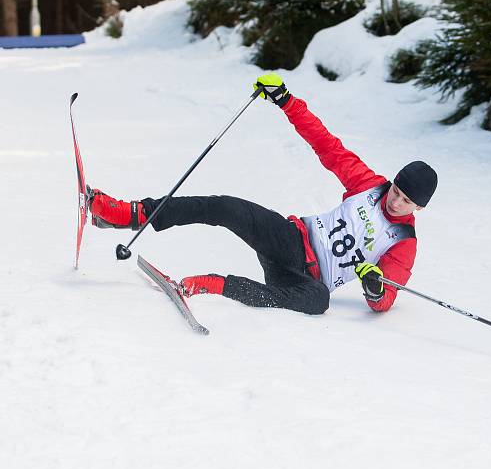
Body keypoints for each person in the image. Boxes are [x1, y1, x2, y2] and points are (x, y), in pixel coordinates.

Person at [88, 72, 437, 315]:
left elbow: (386, 297)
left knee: (319, 302)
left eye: (406, 200)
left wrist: (375, 288)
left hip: (306, 281)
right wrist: (287, 101)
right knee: (226, 207)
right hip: (290, 239)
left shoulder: (404, 241)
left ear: (417, 208)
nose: (395, 200)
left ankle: (211, 285)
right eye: (396, 190)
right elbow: (326, 144)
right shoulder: (368, 185)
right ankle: (126, 213)